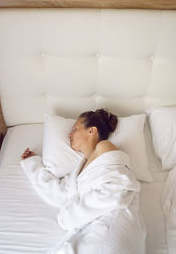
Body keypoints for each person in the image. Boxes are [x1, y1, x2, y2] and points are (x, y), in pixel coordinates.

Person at [20, 109, 146, 254]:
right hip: (94, 226)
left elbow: (116, 192)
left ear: (92, 131)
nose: (69, 134)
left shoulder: (105, 147)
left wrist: (71, 217)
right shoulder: (80, 169)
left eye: (75, 129)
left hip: (116, 221)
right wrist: (32, 165)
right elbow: (57, 193)